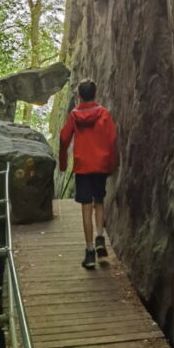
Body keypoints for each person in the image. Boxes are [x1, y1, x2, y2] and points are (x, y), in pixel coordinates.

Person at [59, 79, 118, 269]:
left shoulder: (74, 116)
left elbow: (63, 138)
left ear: (78, 96)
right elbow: (112, 140)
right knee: (99, 201)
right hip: (100, 165)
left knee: (86, 206)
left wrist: (62, 163)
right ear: (95, 94)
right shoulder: (104, 114)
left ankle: (90, 251)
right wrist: (111, 164)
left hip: (83, 166)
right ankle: (100, 237)